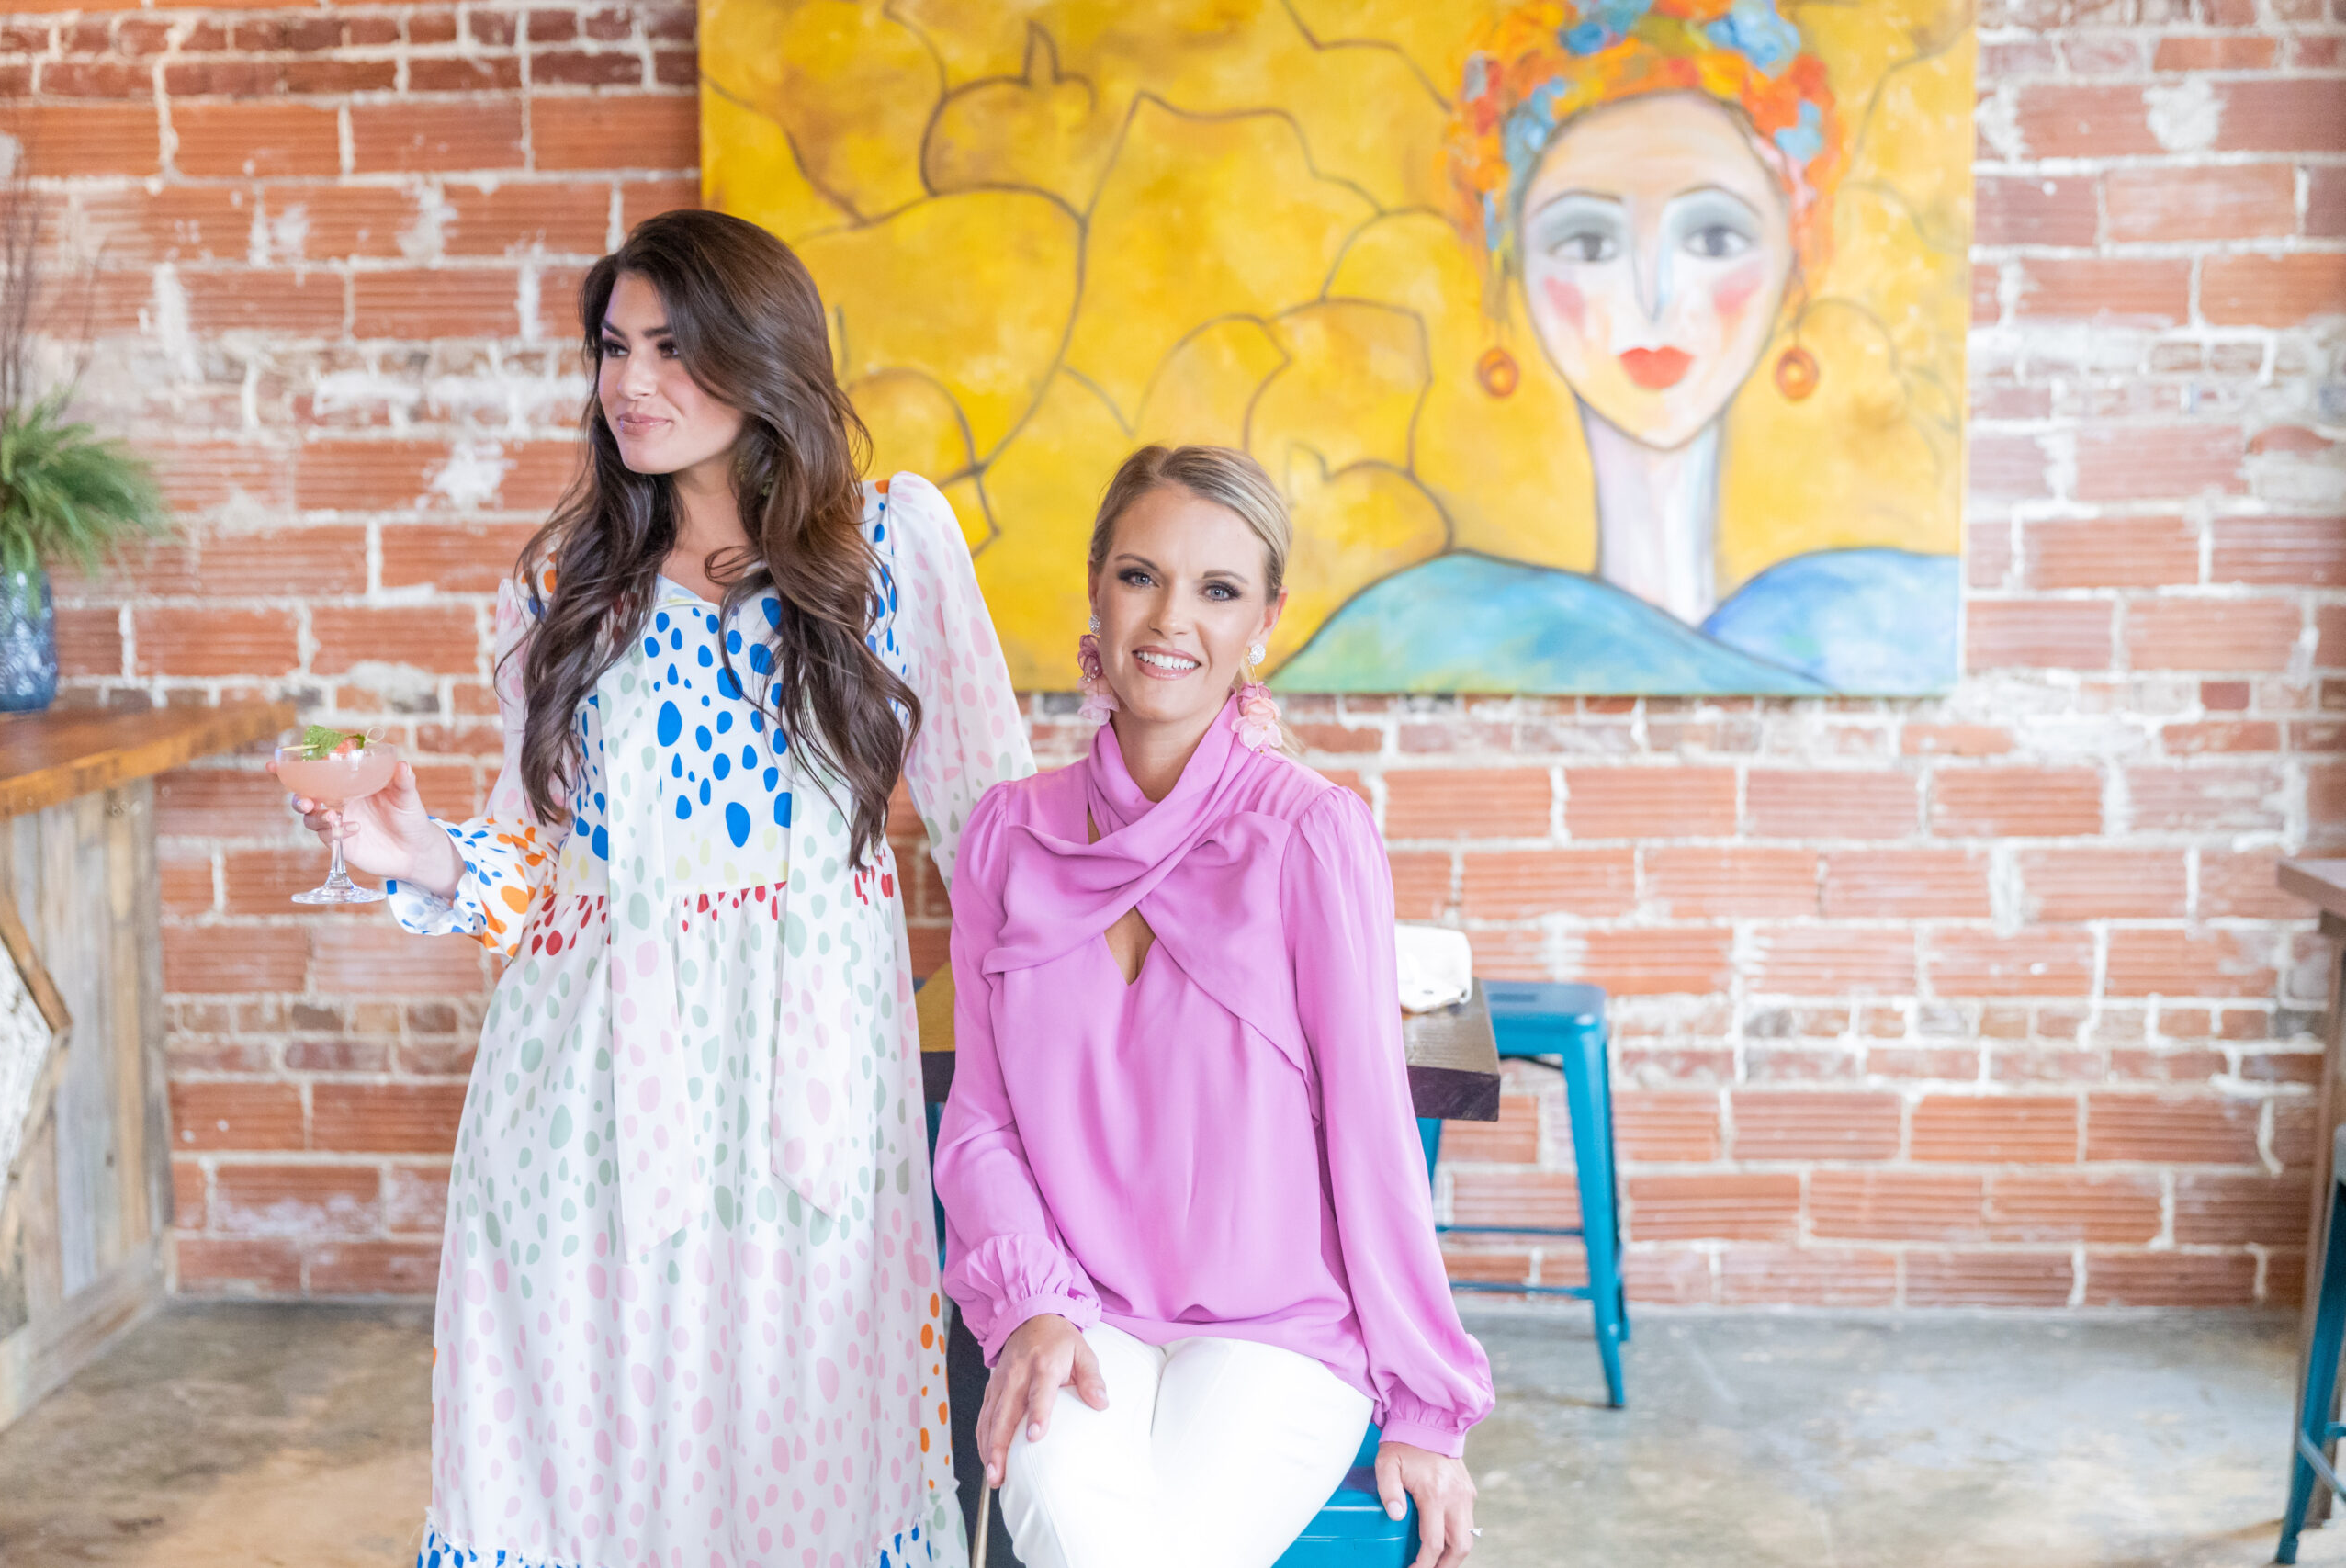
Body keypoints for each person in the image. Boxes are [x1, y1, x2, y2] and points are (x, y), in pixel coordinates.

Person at [273, 209, 1030, 1568]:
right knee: (595, 1472)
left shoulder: (891, 558)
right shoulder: (572, 590)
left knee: (811, 1458)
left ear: (763, 356)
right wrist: (413, 854)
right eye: (615, 347)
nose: (630, 381)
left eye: (673, 347)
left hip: (818, 1113)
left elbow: (1003, 834)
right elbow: (529, 878)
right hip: (587, 1112)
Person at [933, 445, 1492, 1568]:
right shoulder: (1007, 835)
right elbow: (980, 1121)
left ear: (1263, 625)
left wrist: (1429, 1404)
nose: (1170, 619)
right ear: (1094, 583)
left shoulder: (1310, 836)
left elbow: (1371, 1132)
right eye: (1141, 575)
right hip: (1073, 1305)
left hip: (1277, 1328)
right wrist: (1033, 1305)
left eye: (1218, 590)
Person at [1279, 0, 1958, 695]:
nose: (1653, 296)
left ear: (1798, 259)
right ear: (1512, 267)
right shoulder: (1411, 641)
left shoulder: (1905, 622)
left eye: (1715, 238)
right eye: (1589, 242)